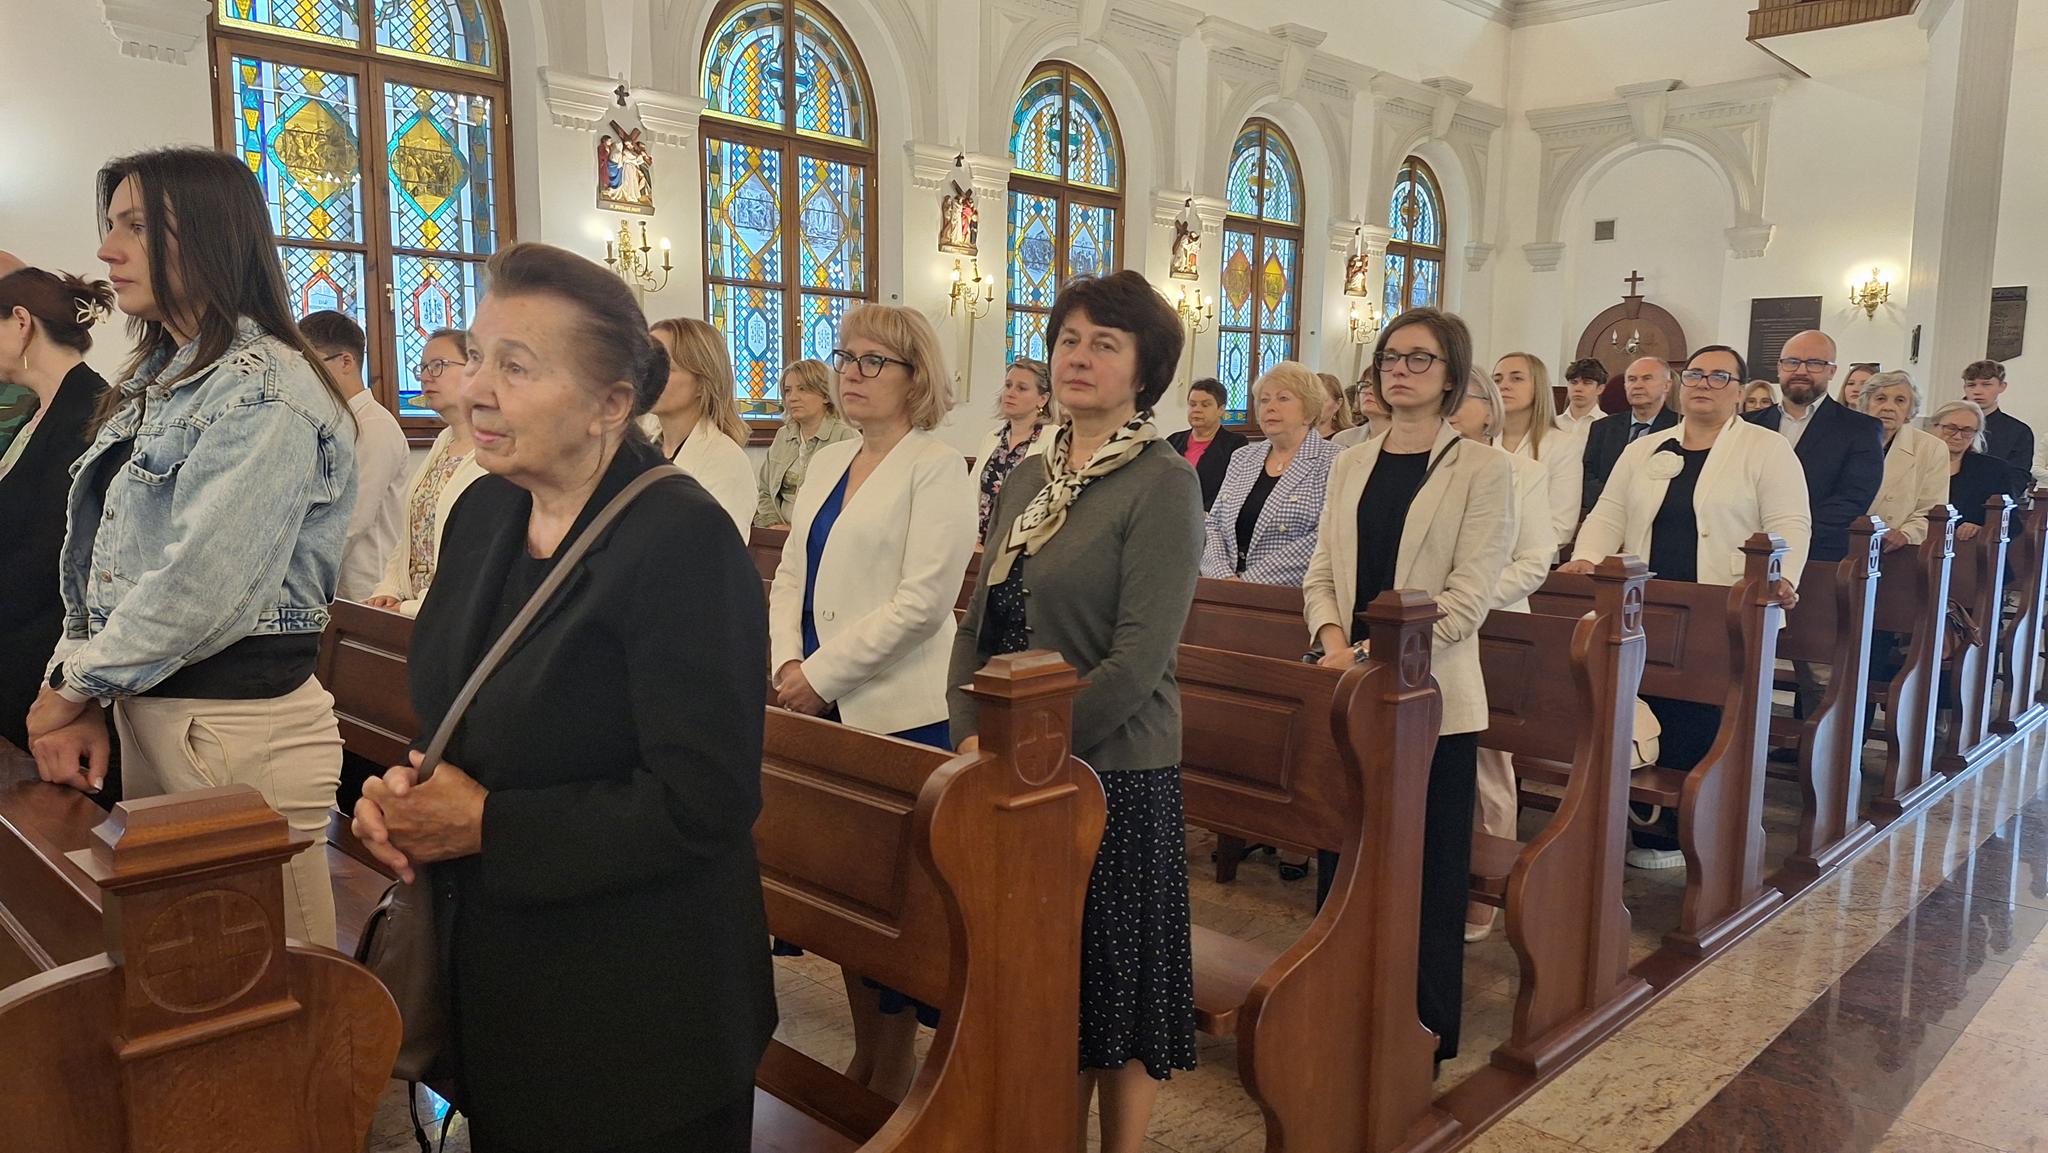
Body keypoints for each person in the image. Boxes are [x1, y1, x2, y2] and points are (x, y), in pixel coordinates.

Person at [350, 243, 774, 1152]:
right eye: (477, 357)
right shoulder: (485, 512)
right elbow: (466, 717)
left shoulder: (683, 541)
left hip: (639, 1016)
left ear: (610, 405)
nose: (475, 390)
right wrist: (406, 793)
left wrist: (486, 825)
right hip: (502, 985)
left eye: (516, 367)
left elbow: (705, 800)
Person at [26, 147, 358, 946]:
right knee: (196, 975)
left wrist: (71, 687)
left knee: (279, 981)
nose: (107, 250)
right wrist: (81, 687)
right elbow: (100, 560)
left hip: (238, 732)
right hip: (160, 708)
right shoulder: (165, 374)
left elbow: (201, 584)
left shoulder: (266, 386)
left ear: (213, 235)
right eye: (112, 224)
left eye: (137, 226)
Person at [948, 270, 1203, 1153]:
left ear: (1145, 369)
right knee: (1048, 984)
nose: (1078, 357)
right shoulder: (1030, 474)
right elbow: (978, 620)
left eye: (1104, 343)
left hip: (1115, 773)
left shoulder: (1162, 483)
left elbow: (1138, 660)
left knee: (1118, 992)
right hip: (1017, 768)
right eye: (1067, 340)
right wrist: (971, 734)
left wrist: (1030, 751)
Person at [768, 303, 975, 1101]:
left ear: (915, 377)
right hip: (821, 703)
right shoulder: (829, 461)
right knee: (848, 902)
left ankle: (904, 1068)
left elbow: (924, 603)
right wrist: (788, 661)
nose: (850, 373)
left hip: (900, 713)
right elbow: (791, 574)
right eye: (845, 356)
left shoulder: (936, 466)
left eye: (872, 361)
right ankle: (872, 1054)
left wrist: (821, 675)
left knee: (902, 912)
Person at [1303, 307, 1515, 1066]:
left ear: (1452, 374)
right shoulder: (1350, 461)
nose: (1399, 369)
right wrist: (1335, 644)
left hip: (1434, 700)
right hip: (1349, 689)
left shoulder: (1484, 468)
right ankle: (1339, 1009)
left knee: (1427, 869)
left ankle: (1423, 1028)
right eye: (1390, 356)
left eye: (1420, 358)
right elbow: (1322, 571)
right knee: (1345, 856)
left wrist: (1372, 652)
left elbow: (1468, 596)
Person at [1565, 345, 1808, 870]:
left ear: (1739, 392)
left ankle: (1691, 831)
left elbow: (1790, 522)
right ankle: (1644, 823)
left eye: (1719, 377)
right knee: (1644, 704)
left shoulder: (1766, 449)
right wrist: (1585, 558)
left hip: (1724, 606)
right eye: (1695, 374)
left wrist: (1782, 578)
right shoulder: (1645, 449)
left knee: (1700, 712)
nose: (1703, 384)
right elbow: (1608, 513)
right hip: (1647, 604)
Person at [1449, 367, 1553, 942]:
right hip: (1425, 629)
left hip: (1497, 627)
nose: (1449, 407)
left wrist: (1463, 599)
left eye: (1460, 398)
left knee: (1489, 759)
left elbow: (1534, 561)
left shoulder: (1523, 473)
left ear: (1489, 411)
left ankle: (1484, 888)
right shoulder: (1426, 465)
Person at [0, 268, 115, 754]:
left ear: (21, 322)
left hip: (50, 657)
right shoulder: (37, 410)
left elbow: (72, 550)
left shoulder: (95, 413)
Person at [365, 328, 487, 616]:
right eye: (422, 368)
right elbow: (412, 533)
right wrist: (389, 588)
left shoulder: (492, 454)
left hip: (451, 612)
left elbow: (477, 552)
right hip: (412, 610)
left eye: (438, 365)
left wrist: (413, 606)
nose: (425, 377)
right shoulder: (444, 442)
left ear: (476, 368)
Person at [1745, 330, 1884, 563]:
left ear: (1832, 371)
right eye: (1792, 362)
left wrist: (1787, 537)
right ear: (1779, 368)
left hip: (1818, 557)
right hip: (1746, 550)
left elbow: (1851, 500)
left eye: (1814, 363)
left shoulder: (1861, 429)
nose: (1801, 371)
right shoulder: (1747, 425)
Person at [298, 310, 408, 602]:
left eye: (310, 365)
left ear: (346, 361)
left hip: (367, 588)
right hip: (330, 584)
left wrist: (298, 573)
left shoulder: (375, 425)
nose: (303, 379)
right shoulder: (331, 422)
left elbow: (354, 518)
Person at [1200, 362, 1337, 586]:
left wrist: (1248, 584)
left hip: (1290, 594)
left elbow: (1326, 536)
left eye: (1283, 398)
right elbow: (1213, 524)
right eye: (1264, 400)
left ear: (1309, 411)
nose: (1270, 407)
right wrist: (1224, 578)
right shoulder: (1242, 457)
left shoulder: (1334, 460)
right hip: (1224, 589)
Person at [643, 317, 755, 537]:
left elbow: (716, 550)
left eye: (665, 367)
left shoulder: (726, 462)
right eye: (647, 364)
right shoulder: (644, 451)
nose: (648, 375)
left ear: (702, 384)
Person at [1492, 352, 1583, 547]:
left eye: (1517, 378)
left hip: (1534, 559)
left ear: (1538, 387)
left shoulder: (1564, 445)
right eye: (1497, 380)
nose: (1503, 386)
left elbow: (1561, 527)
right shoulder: (1480, 441)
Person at [754, 358, 856, 527]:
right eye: (788, 391)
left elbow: (851, 502)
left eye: (802, 389)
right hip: (777, 531)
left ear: (826, 395)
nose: (792, 398)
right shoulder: (783, 436)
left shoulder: (846, 437)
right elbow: (764, 491)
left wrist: (804, 532)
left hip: (823, 535)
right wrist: (773, 524)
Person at [966, 357, 1057, 540]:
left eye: (1021, 388)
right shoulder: (992, 439)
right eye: (1008, 386)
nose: (1010, 393)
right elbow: (969, 495)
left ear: (1043, 399)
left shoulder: (1054, 439)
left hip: (1027, 545)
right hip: (981, 545)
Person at [1860, 371, 1949, 552]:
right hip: (1847, 540)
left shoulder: (1931, 448)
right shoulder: (1846, 439)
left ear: (1910, 410)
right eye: (1880, 398)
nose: (1888, 407)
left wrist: (1908, 533)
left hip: (1897, 548)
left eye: (1900, 400)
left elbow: (1932, 509)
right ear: (1866, 404)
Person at [1581, 356, 1678, 512]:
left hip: (1659, 515)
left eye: (1647, 378)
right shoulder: (1603, 427)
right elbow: (1587, 475)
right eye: (1632, 379)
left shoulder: (1680, 428)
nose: (1638, 385)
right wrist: (1614, 504)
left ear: (1666, 385)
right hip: (1605, 512)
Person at [1929, 400, 2019, 540]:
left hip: (1970, 548)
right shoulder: (1913, 463)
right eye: (1951, 428)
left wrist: (1983, 530)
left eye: (1967, 431)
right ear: (1934, 427)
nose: (1958, 436)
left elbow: (2012, 523)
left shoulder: (1994, 470)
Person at [1167, 377, 1246, 509]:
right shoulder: (1173, 441)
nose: (1196, 410)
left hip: (1212, 515)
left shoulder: (1235, 445)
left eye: (1205, 405)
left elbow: (1233, 490)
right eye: (1192, 404)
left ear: (1221, 409)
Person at [1961, 359, 2036, 488]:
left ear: (2002, 386)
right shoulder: (1945, 425)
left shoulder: (2018, 431)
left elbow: (2018, 477)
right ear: (1965, 387)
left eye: (1986, 385)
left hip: (1993, 497)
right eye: (1971, 385)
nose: (1977, 391)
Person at [1556, 357, 1608, 436]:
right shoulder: (1553, 424)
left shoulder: (1608, 426)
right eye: (1573, 382)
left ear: (1600, 389)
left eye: (1587, 383)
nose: (1578, 388)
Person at [1334, 373, 1386, 447]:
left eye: (1378, 386)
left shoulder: (1403, 442)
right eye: (1364, 385)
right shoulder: (1342, 439)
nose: (1367, 391)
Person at [1315, 370, 1354, 438]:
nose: (1315, 404)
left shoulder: (1347, 438)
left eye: (1322, 400)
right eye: (1312, 399)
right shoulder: (1297, 434)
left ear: (1338, 404)